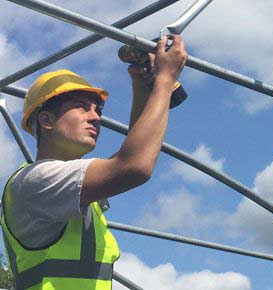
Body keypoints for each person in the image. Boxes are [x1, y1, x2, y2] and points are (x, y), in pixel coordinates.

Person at [0, 35, 187, 290]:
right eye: (81, 107)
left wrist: (142, 86)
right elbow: (132, 166)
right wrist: (164, 81)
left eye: (97, 110)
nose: (95, 117)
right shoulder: (34, 182)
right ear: (47, 120)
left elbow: (131, 155)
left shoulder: (69, 187)